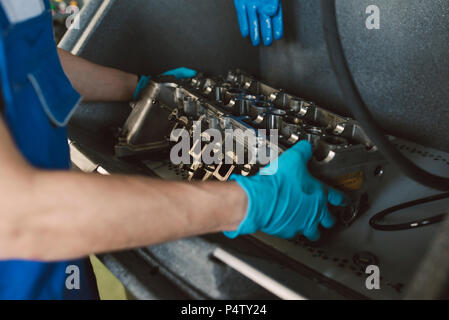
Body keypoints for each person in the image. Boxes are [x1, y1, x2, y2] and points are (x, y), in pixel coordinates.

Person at [0, 0, 346, 299]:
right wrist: (249, 202)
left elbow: (31, 61)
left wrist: (140, 88)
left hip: (55, 272)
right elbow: (19, 216)